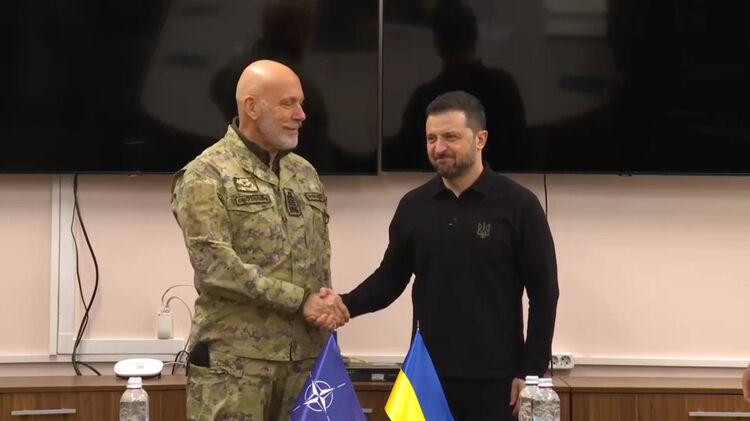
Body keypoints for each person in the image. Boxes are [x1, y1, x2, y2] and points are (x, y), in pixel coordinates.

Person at [338, 91, 559, 420]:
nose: (439, 147)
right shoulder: (413, 206)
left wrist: (531, 371)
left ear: (480, 139)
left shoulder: (520, 206)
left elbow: (544, 294)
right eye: (431, 138)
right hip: (425, 378)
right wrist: (343, 305)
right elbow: (389, 280)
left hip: (498, 382)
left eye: (451, 137)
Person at [171, 59, 348, 421]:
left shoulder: (305, 173)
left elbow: (318, 260)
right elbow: (216, 267)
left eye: (300, 104)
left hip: (306, 363)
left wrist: (325, 305)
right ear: (251, 107)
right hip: (237, 366)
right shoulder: (206, 174)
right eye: (288, 104)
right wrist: (300, 300)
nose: (301, 115)